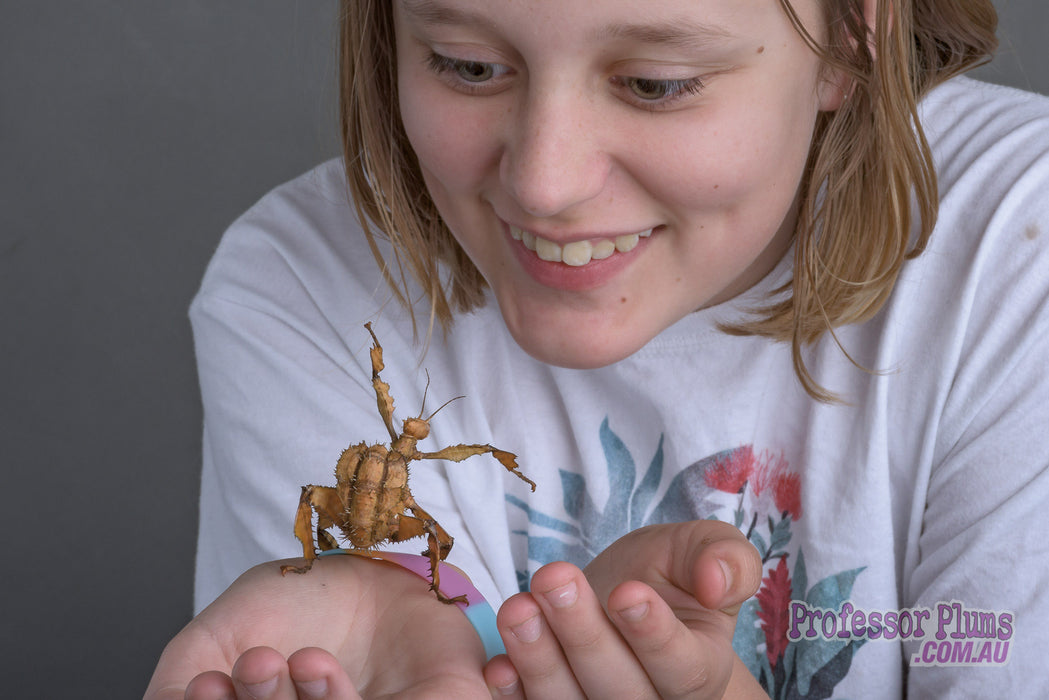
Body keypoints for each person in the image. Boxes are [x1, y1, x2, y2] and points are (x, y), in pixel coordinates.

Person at [146, 0, 1049, 697]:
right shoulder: (302, 286)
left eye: (655, 82)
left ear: (853, 34)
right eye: (466, 65)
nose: (544, 183)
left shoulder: (1020, 244)